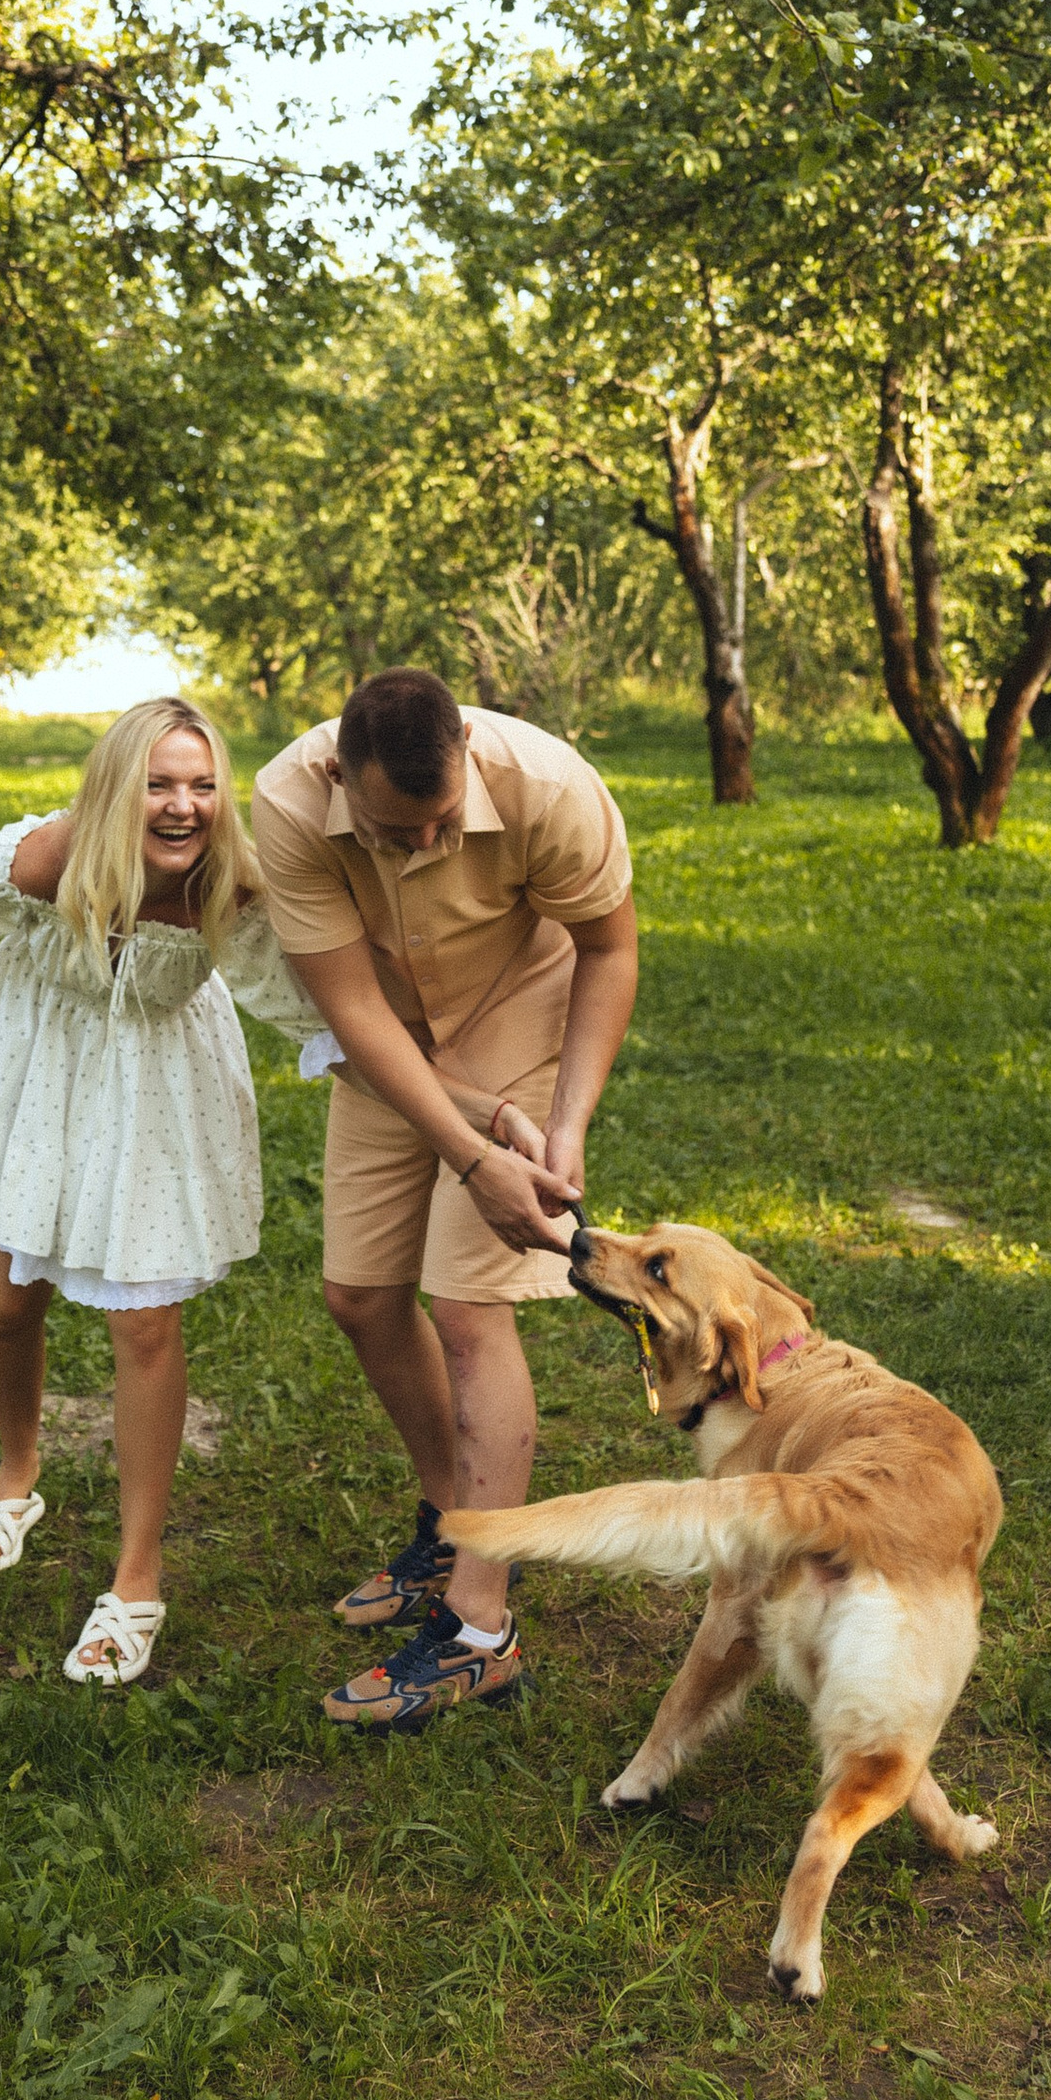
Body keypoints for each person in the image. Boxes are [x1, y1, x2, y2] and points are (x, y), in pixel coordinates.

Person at [0, 696, 326, 1689]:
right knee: (6, 1301)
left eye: (202, 784)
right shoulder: (47, 859)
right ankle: (17, 1470)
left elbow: (314, 1002)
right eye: (160, 783)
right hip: (39, 1069)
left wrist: (434, 1093)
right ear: (120, 788)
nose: (183, 805)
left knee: (144, 1326)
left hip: (155, 1087)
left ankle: (136, 1577)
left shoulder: (226, 885)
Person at [250, 667, 639, 1731]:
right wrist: (469, 1154)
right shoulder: (287, 803)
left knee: (469, 1308)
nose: (420, 846)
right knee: (360, 1294)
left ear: (466, 749)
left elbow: (609, 947)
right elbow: (350, 1009)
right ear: (339, 773)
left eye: (437, 824)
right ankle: (451, 1521)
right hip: (393, 1037)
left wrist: (561, 1126)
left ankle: (479, 1628)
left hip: (521, 1011)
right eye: (390, 829)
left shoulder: (549, 789)